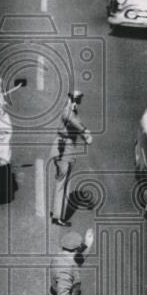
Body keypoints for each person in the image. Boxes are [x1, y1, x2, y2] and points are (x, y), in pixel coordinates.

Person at [50, 91, 93, 226]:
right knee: (64, 183)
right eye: (76, 99)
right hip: (64, 150)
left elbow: (75, 124)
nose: (78, 101)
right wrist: (85, 131)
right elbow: (71, 120)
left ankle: (56, 213)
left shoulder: (72, 110)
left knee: (61, 183)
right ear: (71, 99)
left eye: (79, 99)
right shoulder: (67, 110)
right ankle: (59, 218)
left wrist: (84, 135)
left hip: (65, 148)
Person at [47, 228, 95, 295]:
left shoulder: (62, 256)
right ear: (76, 249)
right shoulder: (65, 269)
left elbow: (79, 257)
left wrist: (88, 243)